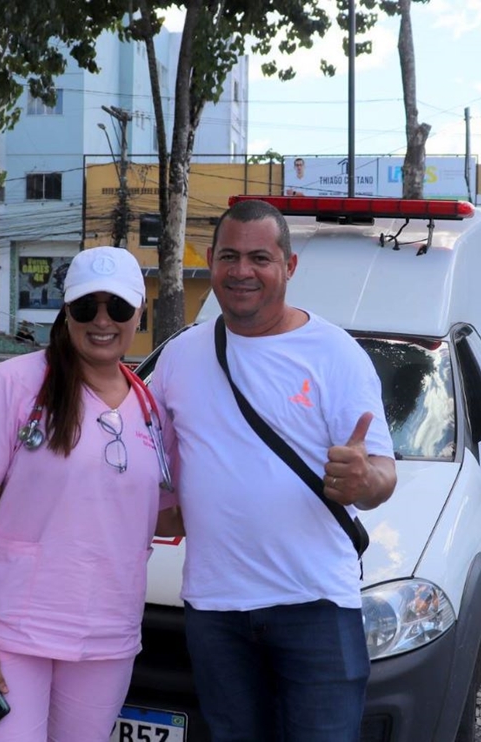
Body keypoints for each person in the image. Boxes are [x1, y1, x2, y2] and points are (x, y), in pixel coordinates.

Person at [150, 199, 397, 741]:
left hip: (314, 606)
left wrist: (364, 480)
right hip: (215, 610)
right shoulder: (181, 356)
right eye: (229, 256)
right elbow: (138, 451)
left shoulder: (335, 353)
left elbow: (382, 473)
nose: (242, 272)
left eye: (260, 257)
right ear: (209, 261)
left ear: (289, 266)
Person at [0, 246, 182, 741]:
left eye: (116, 308)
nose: (101, 320)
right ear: (65, 311)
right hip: (7, 634)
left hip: (107, 638)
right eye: (85, 306)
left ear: (139, 313)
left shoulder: (151, 408)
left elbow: (158, 517)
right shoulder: (15, 384)